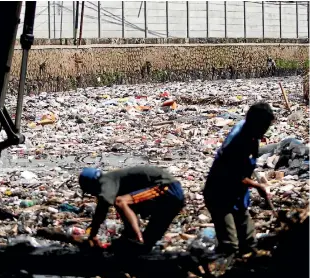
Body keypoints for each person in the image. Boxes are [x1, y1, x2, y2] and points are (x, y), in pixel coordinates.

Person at [203, 102, 276, 259]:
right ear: (254, 123)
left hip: (237, 194)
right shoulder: (238, 142)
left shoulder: (250, 131)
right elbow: (234, 175)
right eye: (264, 127)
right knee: (230, 246)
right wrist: (258, 185)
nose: (265, 131)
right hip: (219, 195)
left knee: (249, 242)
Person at [79, 165, 185, 252]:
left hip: (166, 188)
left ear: (91, 184)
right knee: (146, 245)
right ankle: (134, 240)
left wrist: (92, 235)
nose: (92, 194)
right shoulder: (113, 182)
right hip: (168, 202)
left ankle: (135, 237)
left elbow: (102, 209)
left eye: (89, 191)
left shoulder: (106, 181)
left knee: (121, 202)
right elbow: (102, 208)